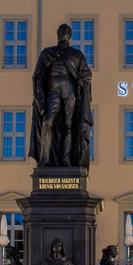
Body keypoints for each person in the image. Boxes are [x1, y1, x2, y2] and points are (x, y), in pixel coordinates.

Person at [29, 23, 94, 168]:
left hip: (69, 92)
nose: (61, 33)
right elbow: (39, 74)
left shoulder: (76, 55)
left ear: (70, 35)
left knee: (69, 125)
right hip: (52, 91)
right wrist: (40, 94)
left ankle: (66, 159)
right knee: (47, 123)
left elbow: (87, 75)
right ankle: (45, 158)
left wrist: (81, 82)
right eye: (59, 31)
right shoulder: (47, 53)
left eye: (64, 31)